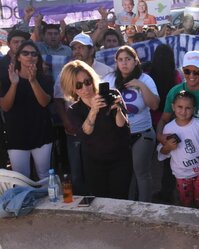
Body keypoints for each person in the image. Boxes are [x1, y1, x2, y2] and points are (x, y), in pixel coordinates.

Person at [61, 60, 132, 199]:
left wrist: (118, 110)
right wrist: (93, 110)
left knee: (120, 199)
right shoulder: (74, 110)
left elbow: (122, 125)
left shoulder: (111, 94)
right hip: (94, 162)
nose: (85, 88)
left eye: (87, 82)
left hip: (120, 158)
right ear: (72, 88)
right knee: (100, 201)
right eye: (78, 85)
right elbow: (85, 133)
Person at [54, 33, 113, 194]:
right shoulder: (66, 72)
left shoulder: (106, 70)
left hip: (101, 130)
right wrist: (67, 121)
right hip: (74, 129)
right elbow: (58, 99)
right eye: (74, 47)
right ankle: (82, 201)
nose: (77, 50)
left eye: (81, 47)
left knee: (98, 168)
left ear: (91, 49)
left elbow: (112, 99)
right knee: (76, 169)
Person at [104, 46, 160, 202]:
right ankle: (127, 205)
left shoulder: (145, 79)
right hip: (118, 134)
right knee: (125, 172)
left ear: (136, 62)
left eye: (128, 59)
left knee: (141, 172)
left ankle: (144, 207)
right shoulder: (109, 79)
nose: (124, 63)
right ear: (116, 62)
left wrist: (141, 86)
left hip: (142, 133)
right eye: (120, 60)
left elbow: (154, 105)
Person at [0, 41, 53, 179]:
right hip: (16, 135)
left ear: (38, 57)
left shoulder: (44, 79)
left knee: (45, 175)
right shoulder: (6, 79)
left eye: (34, 54)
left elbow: (44, 103)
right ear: (18, 57)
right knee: (21, 177)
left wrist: (33, 81)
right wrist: (14, 84)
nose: (30, 56)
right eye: (25, 53)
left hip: (41, 133)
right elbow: (5, 106)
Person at [157, 51, 199, 150]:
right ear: (183, 70)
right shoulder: (175, 91)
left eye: (196, 72)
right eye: (187, 71)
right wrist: (160, 136)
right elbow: (164, 119)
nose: (191, 75)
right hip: (179, 148)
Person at [157, 91, 199, 208]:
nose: (183, 111)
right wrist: (168, 146)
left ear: (194, 109)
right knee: (185, 202)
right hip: (181, 174)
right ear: (173, 107)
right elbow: (162, 152)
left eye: (188, 108)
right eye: (180, 107)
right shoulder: (168, 128)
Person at [147, 44, 183, 203]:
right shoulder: (176, 76)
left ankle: (151, 190)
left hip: (152, 122)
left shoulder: (148, 75)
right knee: (169, 158)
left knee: (151, 160)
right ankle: (168, 191)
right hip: (171, 122)